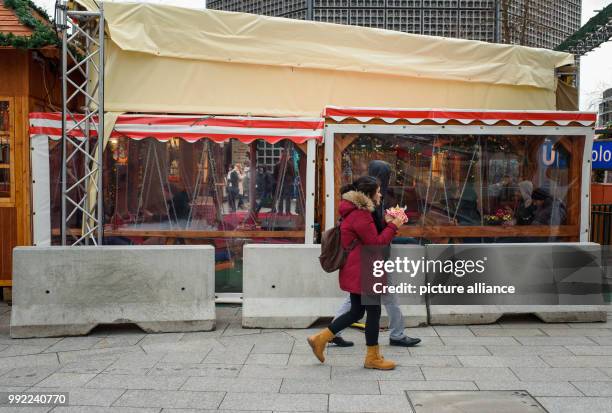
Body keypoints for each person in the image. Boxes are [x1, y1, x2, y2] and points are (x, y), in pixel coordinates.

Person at [307, 176, 406, 370]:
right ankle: (372, 357)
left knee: (356, 311)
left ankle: (320, 338)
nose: (380, 194)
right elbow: (376, 244)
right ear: (368, 194)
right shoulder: (361, 215)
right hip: (365, 270)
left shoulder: (353, 211)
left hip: (357, 268)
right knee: (373, 312)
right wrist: (395, 225)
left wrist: (386, 224)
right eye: (377, 191)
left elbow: (369, 238)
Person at [330, 160, 421, 348]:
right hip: (370, 262)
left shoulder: (366, 198)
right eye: (387, 174)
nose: (381, 190)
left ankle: (333, 333)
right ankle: (393, 336)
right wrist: (393, 224)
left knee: (358, 306)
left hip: (367, 262)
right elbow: (374, 240)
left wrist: (386, 220)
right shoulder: (366, 204)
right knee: (374, 306)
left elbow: (371, 231)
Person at [273, 150, 295, 215]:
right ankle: (285, 212)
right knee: (283, 197)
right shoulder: (280, 164)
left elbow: (292, 173)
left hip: (286, 182)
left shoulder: (287, 164)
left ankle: (282, 211)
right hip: (284, 182)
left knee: (283, 197)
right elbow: (293, 174)